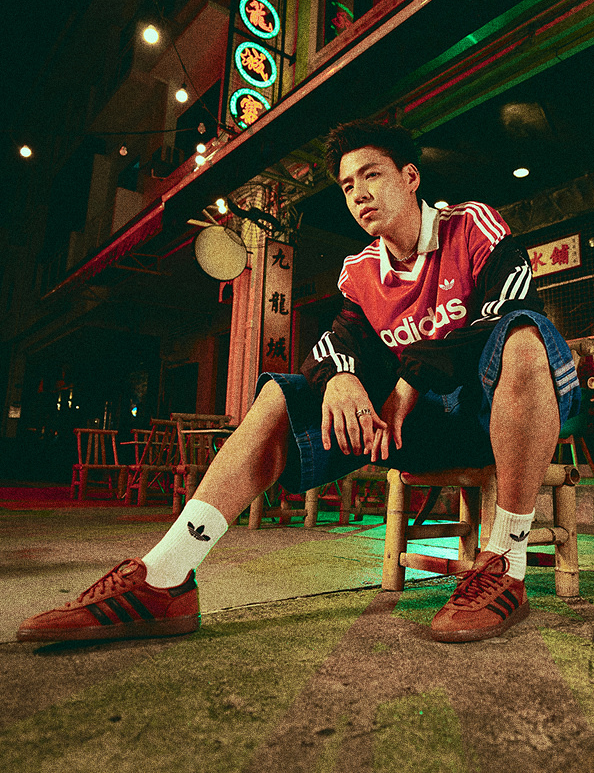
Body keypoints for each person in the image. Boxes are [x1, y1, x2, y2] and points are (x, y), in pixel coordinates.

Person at [17, 119, 580, 645]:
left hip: (495, 415)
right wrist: (340, 378)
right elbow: (338, 340)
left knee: (524, 337)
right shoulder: (360, 270)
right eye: (346, 185)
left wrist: (408, 379)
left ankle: (505, 561)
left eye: (371, 175)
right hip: (419, 431)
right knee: (277, 396)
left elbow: (504, 307)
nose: (358, 193)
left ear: (410, 178)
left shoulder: (471, 225)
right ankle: (166, 578)